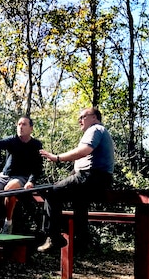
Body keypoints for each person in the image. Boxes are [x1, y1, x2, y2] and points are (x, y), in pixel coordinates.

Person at [37, 107, 114, 253]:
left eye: (83, 116)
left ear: (94, 117)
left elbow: (83, 151)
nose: (80, 120)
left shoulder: (95, 129)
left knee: (52, 193)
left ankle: (54, 238)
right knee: (79, 201)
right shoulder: (99, 131)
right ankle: (82, 240)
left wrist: (57, 158)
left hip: (92, 177)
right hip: (98, 179)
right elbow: (84, 162)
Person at [0, 116, 43, 234]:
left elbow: (37, 167)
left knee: (10, 190)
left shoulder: (36, 145)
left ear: (31, 129)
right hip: (4, 176)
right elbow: (0, 143)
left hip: (21, 177)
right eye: (19, 124)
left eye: (24, 124)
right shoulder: (13, 140)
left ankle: (8, 223)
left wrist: (31, 181)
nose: (20, 127)